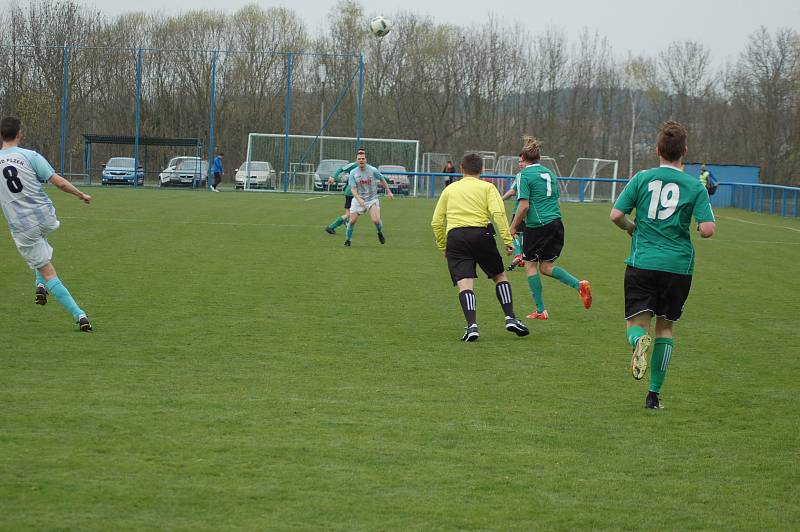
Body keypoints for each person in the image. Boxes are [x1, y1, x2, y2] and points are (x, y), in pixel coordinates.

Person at [610, 121, 716, 409]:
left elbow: (616, 214)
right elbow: (707, 229)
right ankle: (653, 395)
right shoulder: (695, 186)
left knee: (636, 324)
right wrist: (697, 227)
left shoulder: (642, 178)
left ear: (657, 150)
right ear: (684, 151)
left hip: (642, 261)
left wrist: (632, 227)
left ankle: (637, 342)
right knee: (665, 329)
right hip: (678, 266)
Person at [0, 116, 92, 331]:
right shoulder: (30, 156)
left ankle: (80, 316)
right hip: (45, 215)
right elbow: (58, 181)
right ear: (19, 133)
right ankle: (39, 284)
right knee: (41, 239)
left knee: (47, 269)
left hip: (22, 226)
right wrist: (80, 195)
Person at [431, 153, 529, 341]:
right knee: (499, 275)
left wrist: (443, 246)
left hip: (456, 237)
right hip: (481, 234)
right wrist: (508, 241)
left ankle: (472, 326)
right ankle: (510, 317)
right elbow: (498, 214)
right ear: (482, 169)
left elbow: (436, 222)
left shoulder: (450, 189)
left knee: (465, 284)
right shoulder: (488, 187)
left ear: (461, 169)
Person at [509, 136, 592, 321]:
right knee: (546, 267)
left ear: (524, 158)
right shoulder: (550, 174)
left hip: (538, 225)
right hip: (556, 223)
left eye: (520, 160)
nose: (519, 164)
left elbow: (524, 207)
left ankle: (540, 310)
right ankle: (579, 285)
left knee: (530, 265)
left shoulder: (524, 175)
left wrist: (512, 228)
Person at [344, 150, 393, 247]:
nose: (361, 160)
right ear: (356, 161)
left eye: (363, 159)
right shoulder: (353, 173)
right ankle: (348, 240)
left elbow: (382, 179)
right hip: (359, 199)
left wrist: (389, 191)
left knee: (376, 220)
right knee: (352, 221)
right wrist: (359, 199)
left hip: (372, 199)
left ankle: (379, 232)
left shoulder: (373, 170)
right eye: (359, 159)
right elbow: (353, 189)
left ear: (366, 160)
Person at [324, 149, 366, 235]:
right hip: (351, 193)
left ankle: (339, 224)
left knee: (352, 213)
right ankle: (332, 226)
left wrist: (389, 180)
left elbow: (378, 175)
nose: (361, 158)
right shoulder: (353, 165)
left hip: (357, 194)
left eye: (363, 155)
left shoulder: (367, 167)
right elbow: (340, 170)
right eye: (359, 155)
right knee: (351, 213)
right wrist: (333, 177)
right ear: (357, 157)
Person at [500, 153, 526, 271]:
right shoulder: (538, 174)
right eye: (519, 161)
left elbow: (512, 191)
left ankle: (518, 255)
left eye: (522, 161)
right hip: (534, 211)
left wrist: (500, 200)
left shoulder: (521, 175)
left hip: (521, 208)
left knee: (512, 232)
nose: (520, 164)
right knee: (522, 233)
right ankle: (523, 257)